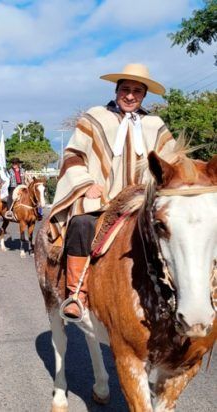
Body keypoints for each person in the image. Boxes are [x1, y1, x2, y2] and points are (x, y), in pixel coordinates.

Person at [46, 63, 176, 319]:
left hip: (142, 201)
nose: (130, 96)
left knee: (178, 230)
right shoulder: (95, 117)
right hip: (102, 200)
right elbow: (73, 155)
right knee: (82, 224)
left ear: (144, 95)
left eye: (137, 91)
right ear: (117, 90)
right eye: (125, 89)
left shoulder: (155, 124)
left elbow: (172, 162)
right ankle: (77, 293)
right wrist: (85, 183)